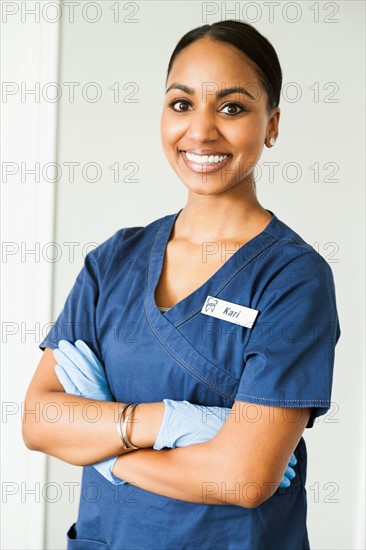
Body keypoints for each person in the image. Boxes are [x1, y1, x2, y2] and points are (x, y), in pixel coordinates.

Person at [22, 19, 341, 550]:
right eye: (181, 103)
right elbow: (38, 419)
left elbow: (242, 477)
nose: (201, 131)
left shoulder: (293, 278)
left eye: (233, 107)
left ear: (273, 124)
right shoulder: (114, 261)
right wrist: (177, 423)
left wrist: (103, 448)